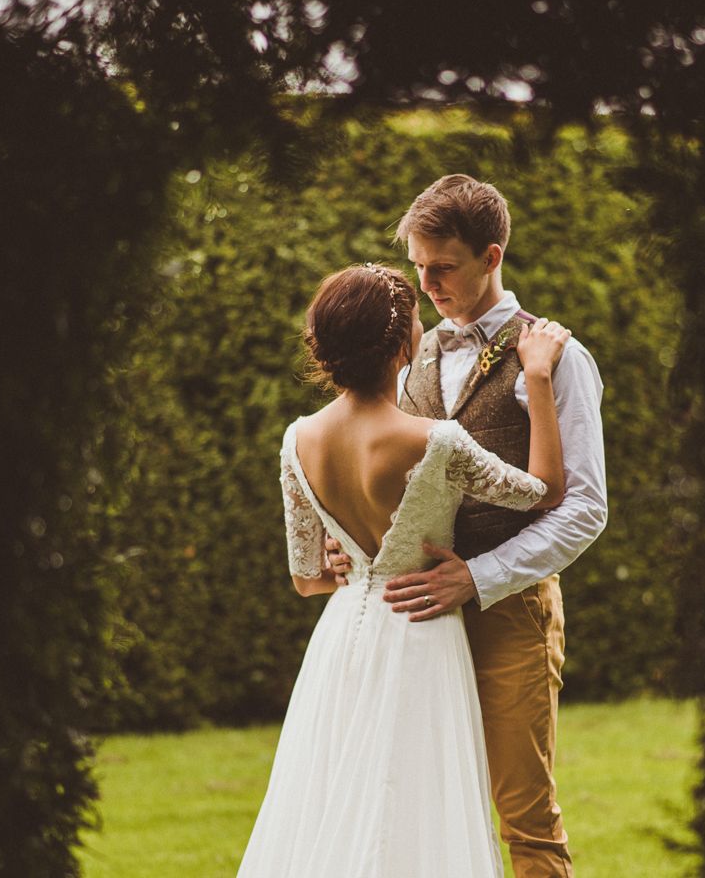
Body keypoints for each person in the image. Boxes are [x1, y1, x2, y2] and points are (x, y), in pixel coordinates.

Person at [237, 263, 571, 878]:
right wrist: (539, 376)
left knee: (340, 802)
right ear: (400, 345)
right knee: (414, 804)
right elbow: (547, 491)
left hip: (342, 642)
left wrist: (349, 559)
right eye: (416, 319)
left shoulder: (298, 439)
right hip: (420, 630)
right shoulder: (434, 440)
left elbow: (307, 577)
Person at [328, 176, 608, 878]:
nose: (426, 285)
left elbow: (584, 508)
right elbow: (386, 473)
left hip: (510, 616)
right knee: (414, 808)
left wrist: (477, 578)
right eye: (418, 267)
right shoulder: (408, 353)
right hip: (415, 622)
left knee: (526, 819)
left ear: (491, 255)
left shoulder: (557, 357)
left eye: (442, 267)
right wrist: (350, 542)